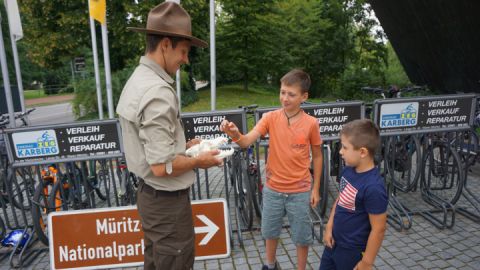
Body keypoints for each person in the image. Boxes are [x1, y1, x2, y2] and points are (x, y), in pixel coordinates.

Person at [116, 2, 222, 269]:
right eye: (183, 51)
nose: (185, 59)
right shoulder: (158, 92)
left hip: (151, 198)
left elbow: (151, 146)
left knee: (156, 261)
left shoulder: (138, 79)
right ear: (165, 44)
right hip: (166, 204)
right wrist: (200, 160)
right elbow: (162, 166)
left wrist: (184, 148)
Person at [220, 69, 323, 270]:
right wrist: (234, 133)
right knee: (269, 232)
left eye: (291, 94)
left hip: (300, 191)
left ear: (304, 97)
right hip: (273, 189)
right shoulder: (270, 118)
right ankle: (270, 265)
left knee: (302, 236)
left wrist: (316, 188)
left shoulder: (311, 123)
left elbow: (317, 156)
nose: (285, 98)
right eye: (282, 92)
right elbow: (246, 141)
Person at [320, 119, 388, 270]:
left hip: (353, 251)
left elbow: (379, 229)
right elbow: (340, 199)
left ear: (362, 152)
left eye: (345, 147)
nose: (340, 151)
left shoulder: (374, 188)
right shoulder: (348, 170)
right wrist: (329, 227)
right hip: (334, 243)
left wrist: (366, 263)